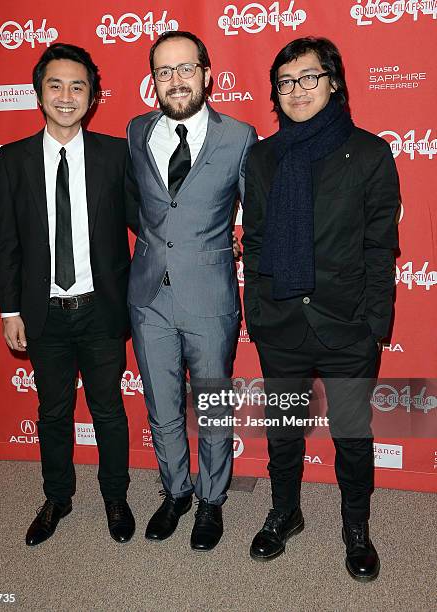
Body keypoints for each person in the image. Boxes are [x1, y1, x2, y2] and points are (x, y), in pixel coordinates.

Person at [242, 37, 399, 580]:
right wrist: (256, 311)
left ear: (333, 83)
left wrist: (375, 323)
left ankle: (357, 527)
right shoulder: (263, 156)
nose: (297, 90)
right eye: (286, 82)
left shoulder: (370, 152)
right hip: (281, 322)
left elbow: (381, 246)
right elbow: (256, 241)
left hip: (347, 324)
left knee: (352, 437)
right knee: (284, 432)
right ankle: (285, 512)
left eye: (309, 78)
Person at [0, 43, 138, 547]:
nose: (66, 95)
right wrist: (10, 309)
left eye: (78, 86)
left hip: (99, 310)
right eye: (55, 85)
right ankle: (57, 497)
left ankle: (115, 496)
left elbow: (147, 220)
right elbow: (7, 242)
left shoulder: (114, 154)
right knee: (53, 412)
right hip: (43, 314)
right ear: (38, 93)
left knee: (108, 411)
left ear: (93, 96)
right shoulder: (12, 160)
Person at [127, 31, 257, 551]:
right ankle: (176, 490)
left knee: (213, 406)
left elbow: (257, 215)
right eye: (164, 71)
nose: (175, 80)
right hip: (148, 296)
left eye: (185, 69)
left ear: (207, 73)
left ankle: (211, 500)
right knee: (161, 405)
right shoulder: (137, 131)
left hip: (211, 296)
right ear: (153, 81)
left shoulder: (240, 136)